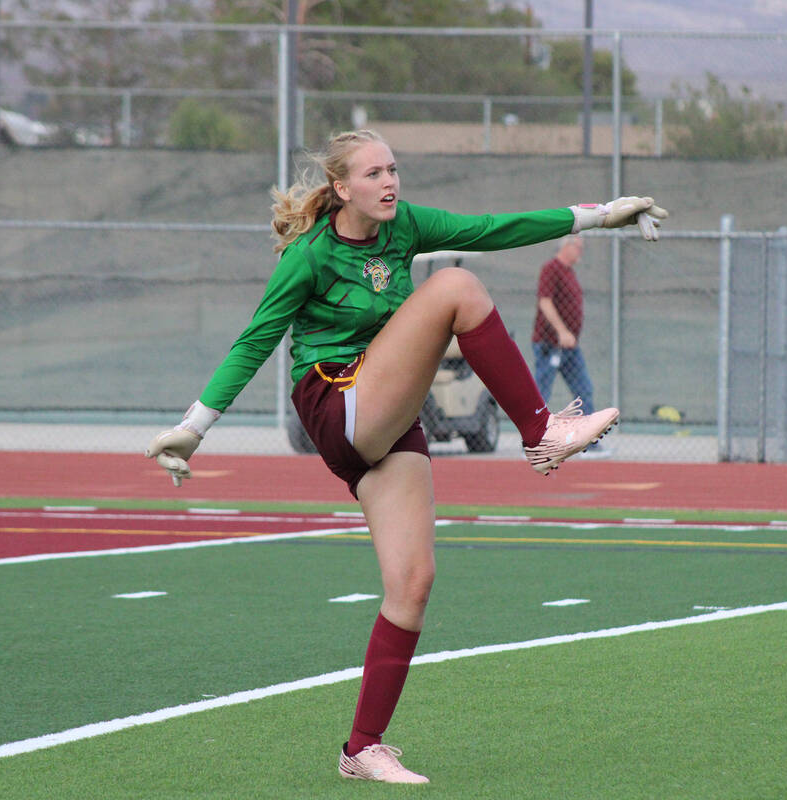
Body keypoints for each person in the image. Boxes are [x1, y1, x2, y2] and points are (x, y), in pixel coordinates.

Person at [144, 129, 666, 784]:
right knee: (456, 287)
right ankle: (541, 432)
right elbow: (255, 341)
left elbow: (493, 227)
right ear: (341, 189)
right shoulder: (309, 256)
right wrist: (193, 429)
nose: (390, 182)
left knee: (412, 585)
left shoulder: (405, 226)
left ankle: (362, 747)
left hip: (386, 417)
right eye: (373, 173)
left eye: (394, 169)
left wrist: (601, 214)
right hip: (335, 402)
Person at [531, 234, 603, 452]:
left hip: (570, 348)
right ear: (566, 247)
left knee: (583, 390)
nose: (581, 251)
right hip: (550, 345)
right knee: (541, 394)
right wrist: (561, 331)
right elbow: (544, 301)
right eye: (578, 247)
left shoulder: (569, 272)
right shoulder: (551, 269)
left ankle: (588, 444)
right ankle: (534, 443)